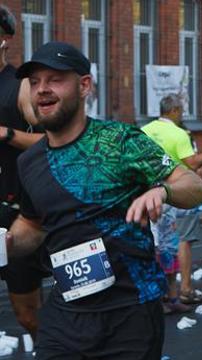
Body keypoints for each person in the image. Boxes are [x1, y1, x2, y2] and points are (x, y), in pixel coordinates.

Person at [5, 41, 202, 359]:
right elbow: (32, 225)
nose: (42, 90)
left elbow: (198, 188)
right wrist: (5, 244)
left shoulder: (119, 141)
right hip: (66, 313)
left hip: (129, 313)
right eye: (35, 82)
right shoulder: (30, 161)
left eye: (55, 79)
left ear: (84, 85)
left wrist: (163, 191)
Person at [142, 94, 202, 308]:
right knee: (179, 242)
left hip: (147, 195)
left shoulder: (145, 130)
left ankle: (158, 296)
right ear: (175, 111)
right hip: (174, 195)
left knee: (153, 245)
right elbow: (193, 163)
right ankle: (181, 291)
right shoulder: (179, 134)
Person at [0, 4, 50, 340]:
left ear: (3, 39)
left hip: (13, 215)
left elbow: (50, 141)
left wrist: (6, 134)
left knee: (28, 315)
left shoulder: (17, 86)